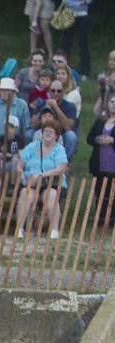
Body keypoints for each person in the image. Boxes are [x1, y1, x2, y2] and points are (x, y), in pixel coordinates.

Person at [14, 119, 69, 239]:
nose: (48, 133)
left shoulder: (59, 149)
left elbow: (60, 168)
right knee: (25, 194)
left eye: (51, 132)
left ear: (56, 135)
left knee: (51, 195)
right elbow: (20, 163)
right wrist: (21, 173)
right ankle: (19, 228)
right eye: (46, 131)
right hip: (30, 182)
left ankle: (54, 230)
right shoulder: (32, 146)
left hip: (50, 182)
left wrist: (42, 176)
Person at [30, 79, 78, 157]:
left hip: (62, 133)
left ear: (63, 92)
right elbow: (33, 124)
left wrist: (56, 107)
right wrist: (46, 107)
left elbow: (68, 127)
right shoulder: (41, 102)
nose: (56, 93)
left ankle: (65, 161)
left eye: (59, 91)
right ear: (49, 91)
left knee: (71, 136)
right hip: (42, 131)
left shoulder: (70, 106)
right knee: (29, 133)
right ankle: (32, 158)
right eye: (53, 91)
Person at [87, 94, 115, 226]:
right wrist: (97, 140)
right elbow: (89, 138)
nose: (113, 105)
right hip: (99, 163)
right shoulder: (100, 121)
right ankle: (101, 218)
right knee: (100, 192)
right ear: (107, 104)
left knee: (112, 192)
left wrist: (112, 140)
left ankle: (112, 220)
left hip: (113, 163)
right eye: (111, 102)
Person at [0, 77, 29, 142]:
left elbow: (26, 127)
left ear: (14, 92)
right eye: (2, 90)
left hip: (15, 141)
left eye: (8, 90)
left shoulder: (22, 105)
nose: (5, 92)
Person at [60, 0, 91, 79]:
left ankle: (85, 71)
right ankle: (62, 68)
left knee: (83, 44)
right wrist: (79, 4)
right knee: (66, 43)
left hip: (83, 15)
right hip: (69, 14)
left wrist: (82, 3)